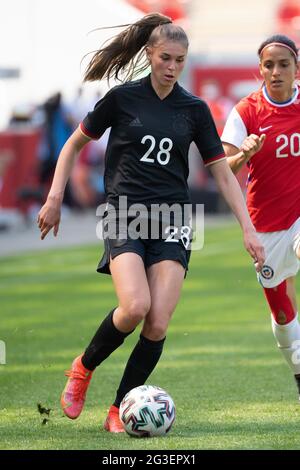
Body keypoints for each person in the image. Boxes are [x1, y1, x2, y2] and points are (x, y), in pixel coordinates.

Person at [37, 13, 264, 433]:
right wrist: (53, 198)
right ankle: (83, 368)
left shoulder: (193, 109)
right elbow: (72, 145)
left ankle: (118, 410)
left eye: (180, 59)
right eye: (165, 58)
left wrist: (247, 228)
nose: (173, 67)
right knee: (136, 306)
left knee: (158, 321)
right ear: (149, 54)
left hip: (175, 218)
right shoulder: (122, 98)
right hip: (125, 213)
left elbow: (221, 173)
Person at [221, 34, 300, 400]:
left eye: (284, 64)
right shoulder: (247, 112)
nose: (276, 71)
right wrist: (246, 153)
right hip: (266, 224)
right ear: (260, 70)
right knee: (281, 312)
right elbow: (222, 168)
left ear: (296, 68)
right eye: (269, 65)